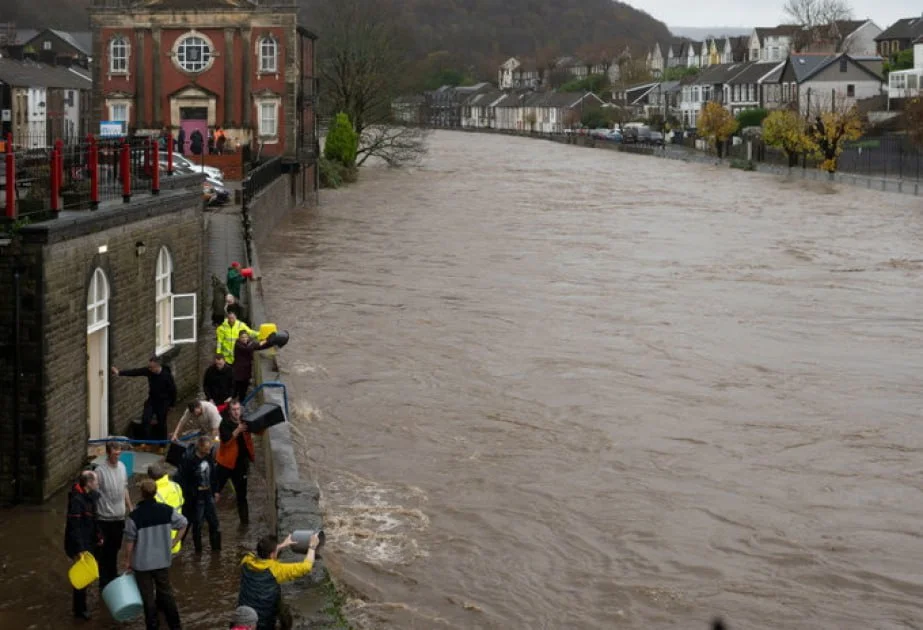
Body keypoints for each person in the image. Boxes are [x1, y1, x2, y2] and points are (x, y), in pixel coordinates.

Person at [123, 478, 187, 630]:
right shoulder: (166, 510)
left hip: (142, 564)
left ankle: (152, 626)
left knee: (148, 597)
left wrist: (127, 561)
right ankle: (175, 625)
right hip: (162, 561)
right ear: (155, 493)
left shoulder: (134, 517)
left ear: (142, 494)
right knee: (166, 593)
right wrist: (174, 542)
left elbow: (130, 543)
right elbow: (184, 523)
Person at [238, 533, 319, 630]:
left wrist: (283, 545)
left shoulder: (246, 560)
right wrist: (312, 547)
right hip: (263, 621)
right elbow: (306, 567)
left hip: (243, 617)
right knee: (284, 614)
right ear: (272, 554)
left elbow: (267, 555)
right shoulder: (276, 570)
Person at [94, 441, 133, 591]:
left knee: (115, 548)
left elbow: (124, 488)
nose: (118, 455)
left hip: (119, 518)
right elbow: (95, 494)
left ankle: (113, 575)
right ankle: (104, 583)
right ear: (108, 453)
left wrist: (130, 507)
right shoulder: (100, 471)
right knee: (104, 552)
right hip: (104, 519)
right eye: (115, 453)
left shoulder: (122, 467)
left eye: (119, 453)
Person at [112, 356, 177, 442]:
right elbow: (136, 372)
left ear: (157, 366)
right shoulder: (149, 371)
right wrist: (119, 372)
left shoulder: (166, 375)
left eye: (152, 367)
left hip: (163, 402)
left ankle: (162, 444)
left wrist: (172, 405)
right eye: (149, 366)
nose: (149, 369)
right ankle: (146, 442)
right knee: (145, 420)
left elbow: (173, 390)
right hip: (152, 400)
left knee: (161, 423)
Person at [65, 470, 101, 621]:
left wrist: (99, 536)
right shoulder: (77, 502)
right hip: (79, 545)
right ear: (88, 483)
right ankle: (79, 610)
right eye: (96, 481)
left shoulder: (89, 498)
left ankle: (81, 606)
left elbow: (93, 520)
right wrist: (80, 550)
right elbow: (75, 528)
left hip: (88, 540)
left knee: (87, 575)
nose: (98, 484)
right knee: (82, 576)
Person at [175, 436, 221, 552]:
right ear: (200, 447)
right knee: (197, 525)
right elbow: (182, 480)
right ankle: (197, 551)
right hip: (195, 497)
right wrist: (189, 496)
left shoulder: (209, 457)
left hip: (208, 494)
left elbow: (213, 475)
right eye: (207, 449)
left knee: (214, 523)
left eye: (210, 448)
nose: (209, 451)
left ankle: (216, 550)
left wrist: (215, 490)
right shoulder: (189, 460)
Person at [216, 400, 258, 525]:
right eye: (234, 410)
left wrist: (261, 425)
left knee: (242, 496)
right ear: (230, 411)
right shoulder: (224, 423)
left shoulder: (245, 421)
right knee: (215, 491)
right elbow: (226, 441)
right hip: (225, 463)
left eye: (238, 409)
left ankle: (244, 524)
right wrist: (238, 430)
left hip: (240, 465)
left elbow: (257, 431)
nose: (236, 412)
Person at [148, 464, 185, 555]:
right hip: (176, 536)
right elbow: (182, 501)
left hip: (162, 541)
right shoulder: (176, 486)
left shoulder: (154, 493)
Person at [232, 330, 271, 402]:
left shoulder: (250, 344)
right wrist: (261, 342)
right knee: (235, 390)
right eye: (242, 337)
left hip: (246, 372)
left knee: (243, 391)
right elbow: (249, 348)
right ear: (239, 338)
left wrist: (269, 342)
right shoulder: (238, 345)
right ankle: (233, 402)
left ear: (248, 337)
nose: (244, 339)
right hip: (238, 373)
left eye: (245, 337)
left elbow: (259, 346)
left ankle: (241, 404)